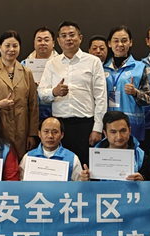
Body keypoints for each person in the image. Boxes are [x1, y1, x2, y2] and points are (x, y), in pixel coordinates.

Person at [36, 21, 107, 166]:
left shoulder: (93, 61)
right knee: (60, 166)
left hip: (85, 125)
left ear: (80, 38)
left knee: (85, 168)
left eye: (71, 35)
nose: (68, 39)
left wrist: (97, 128)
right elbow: (41, 93)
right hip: (59, 126)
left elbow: (101, 97)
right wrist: (54, 92)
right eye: (64, 36)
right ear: (58, 41)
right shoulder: (52, 63)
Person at [0, 30, 39, 158]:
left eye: (15, 46)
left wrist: (32, 134)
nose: (11, 49)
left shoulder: (27, 72)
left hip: (21, 129)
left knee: (18, 163)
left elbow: (33, 105)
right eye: (7, 45)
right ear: (0, 47)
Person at [103, 26, 150, 146]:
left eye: (124, 40)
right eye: (116, 41)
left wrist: (135, 93)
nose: (120, 44)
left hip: (132, 126)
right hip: (109, 125)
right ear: (109, 44)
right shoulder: (101, 68)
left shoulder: (140, 67)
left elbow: (148, 100)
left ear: (130, 42)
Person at [81, 110, 146, 181]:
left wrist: (142, 181)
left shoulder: (141, 157)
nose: (119, 137)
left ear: (129, 130)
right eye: (113, 132)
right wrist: (86, 180)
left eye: (123, 131)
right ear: (105, 134)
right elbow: (91, 186)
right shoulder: (94, 158)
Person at [20, 116, 83, 181]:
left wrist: (85, 179)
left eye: (55, 132)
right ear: (39, 134)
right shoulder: (28, 157)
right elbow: (20, 183)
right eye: (46, 131)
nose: (50, 136)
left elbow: (79, 184)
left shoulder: (73, 158)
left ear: (62, 135)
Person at [24, 26, 60, 130]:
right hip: (30, 116)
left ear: (53, 43)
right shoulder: (24, 65)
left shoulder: (63, 64)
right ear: (34, 43)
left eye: (46, 40)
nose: (42, 43)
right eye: (39, 40)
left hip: (56, 114)